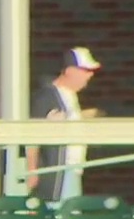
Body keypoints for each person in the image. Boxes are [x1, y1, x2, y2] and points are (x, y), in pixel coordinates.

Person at [28, 47, 103, 204]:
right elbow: (32, 137)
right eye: (85, 70)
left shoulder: (70, 96)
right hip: (58, 172)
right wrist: (32, 170)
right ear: (69, 71)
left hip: (73, 169)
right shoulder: (46, 96)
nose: (90, 75)